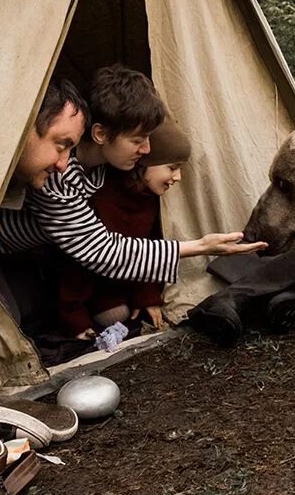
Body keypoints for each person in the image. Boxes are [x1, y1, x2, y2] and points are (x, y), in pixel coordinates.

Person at [0, 66, 262, 321]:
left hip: (37, 251)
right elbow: (103, 251)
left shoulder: (104, 166)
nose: (147, 149)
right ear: (100, 135)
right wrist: (200, 247)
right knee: (11, 317)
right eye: (137, 140)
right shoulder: (57, 175)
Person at [50, 116, 191, 339]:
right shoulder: (105, 196)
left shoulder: (150, 198)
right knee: (114, 315)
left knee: (126, 315)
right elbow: (78, 262)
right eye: (172, 167)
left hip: (122, 279)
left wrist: (146, 295)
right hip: (86, 281)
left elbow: (149, 245)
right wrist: (74, 318)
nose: (178, 177)